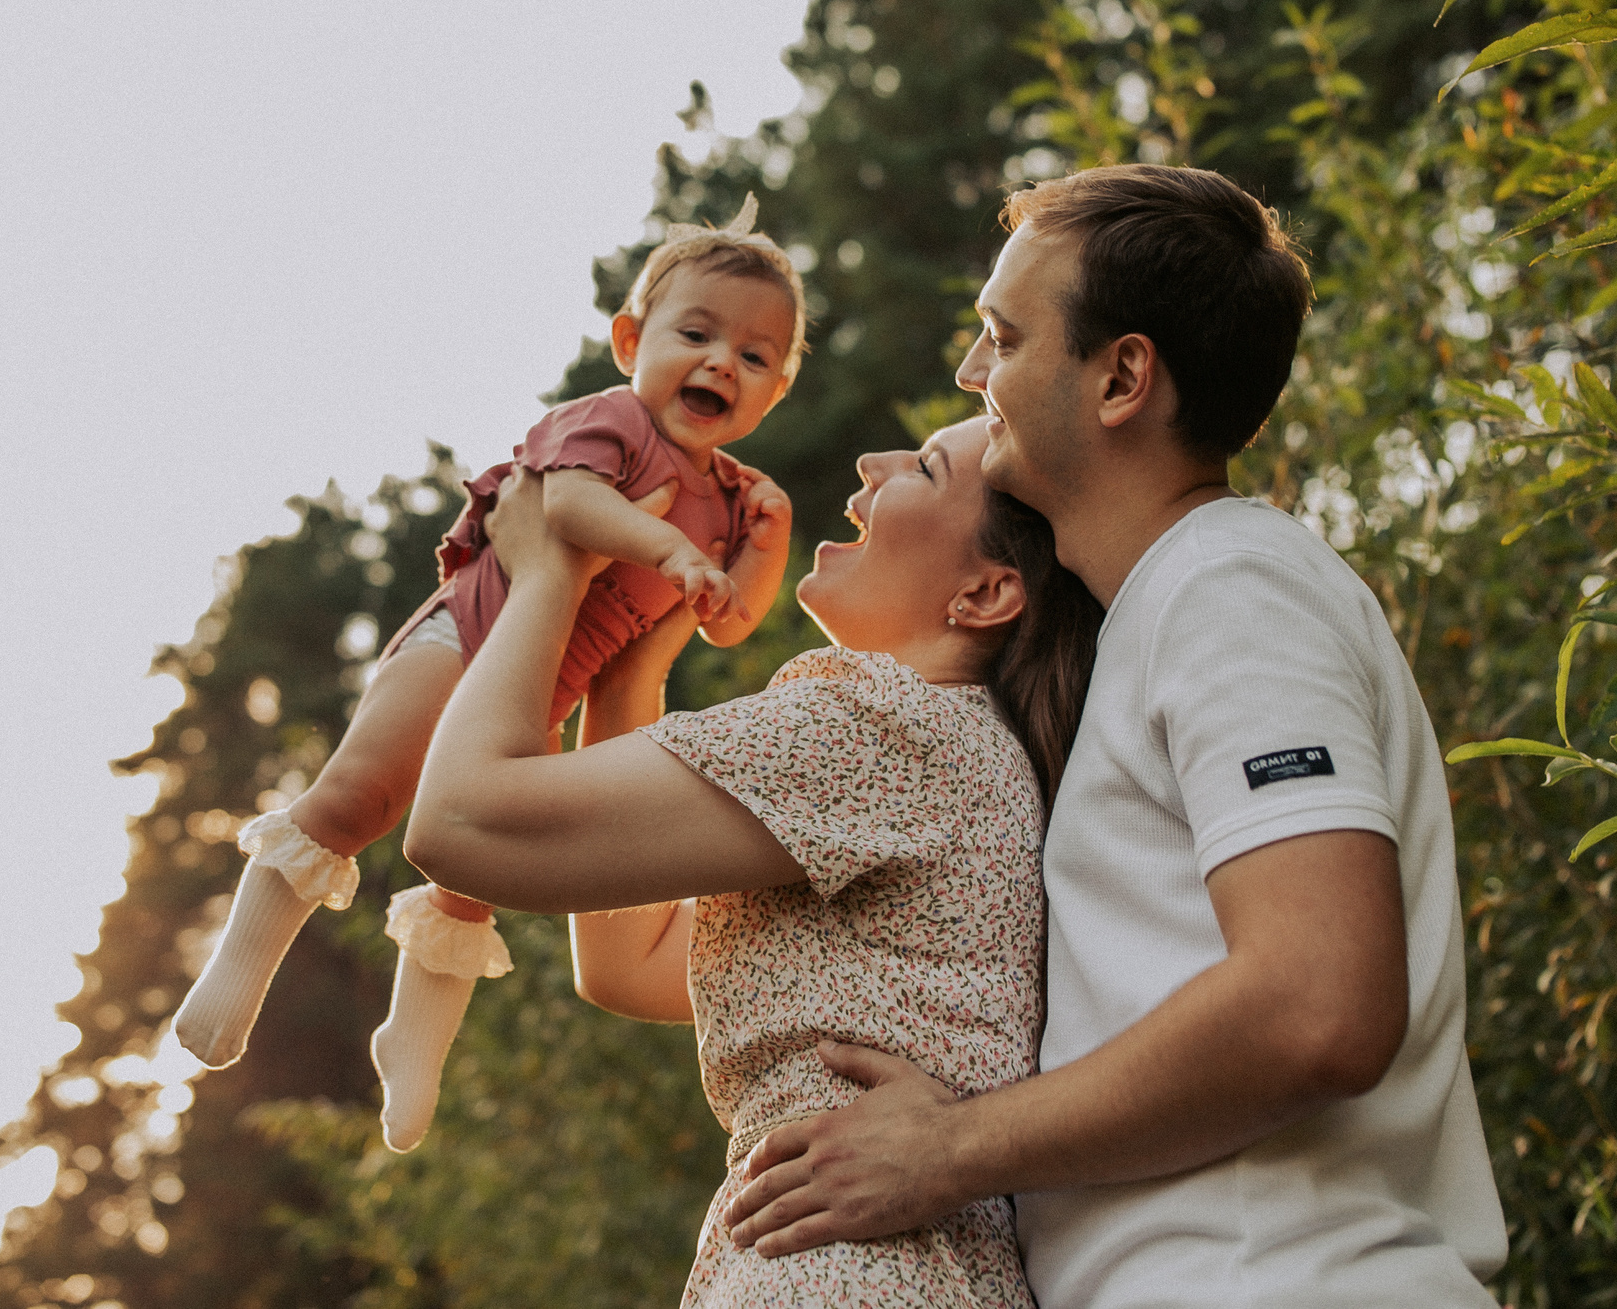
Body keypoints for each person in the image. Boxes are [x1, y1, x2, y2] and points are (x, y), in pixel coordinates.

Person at [722, 165, 1507, 1306]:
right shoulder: (1156, 617)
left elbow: (1317, 1005)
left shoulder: (1230, 587)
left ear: (1121, 377)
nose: (970, 372)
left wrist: (949, 1150)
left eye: (1003, 334)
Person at [404, 415, 1106, 1306]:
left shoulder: (885, 728)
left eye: (924, 467)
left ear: (984, 594)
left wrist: (549, 570)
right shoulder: (955, 758)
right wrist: (629, 671)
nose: (870, 459)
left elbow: (459, 823)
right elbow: (629, 962)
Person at [171, 199, 802, 1152]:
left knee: (474, 868)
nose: (722, 362)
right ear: (633, 337)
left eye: (755, 357)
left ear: (776, 392)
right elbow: (572, 507)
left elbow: (723, 624)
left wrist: (760, 546)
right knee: (358, 795)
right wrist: (672, 547)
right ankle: (239, 968)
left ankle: (412, 1038)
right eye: (697, 333)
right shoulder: (611, 421)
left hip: (534, 692)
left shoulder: (728, 500)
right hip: (468, 637)